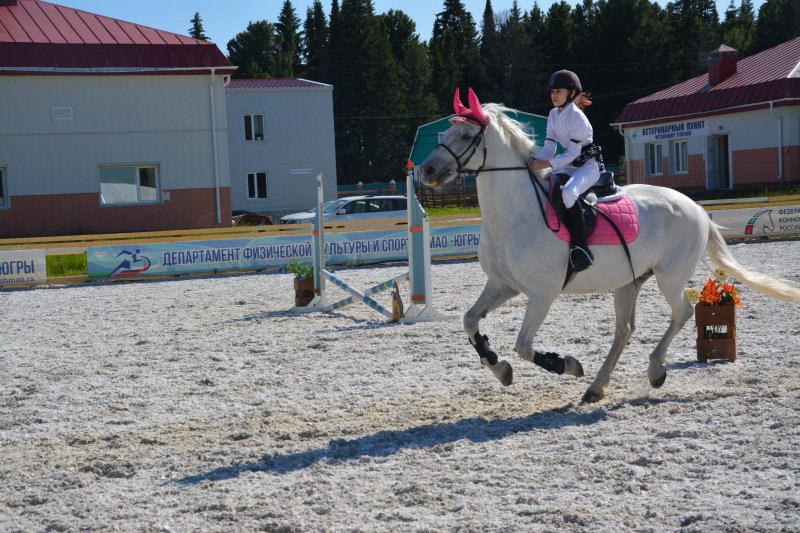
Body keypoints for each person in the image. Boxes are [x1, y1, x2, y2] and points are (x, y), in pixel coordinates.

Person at [529, 70, 603, 272]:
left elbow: (571, 154)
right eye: (552, 91)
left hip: (589, 167)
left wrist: (545, 165)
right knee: (546, 187)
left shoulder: (577, 117)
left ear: (571, 93)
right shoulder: (553, 114)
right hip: (570, 166)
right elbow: (549, 147)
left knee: (569, 192)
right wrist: (533, 160)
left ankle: (582, 249)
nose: (554, 95)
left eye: (558, 91)